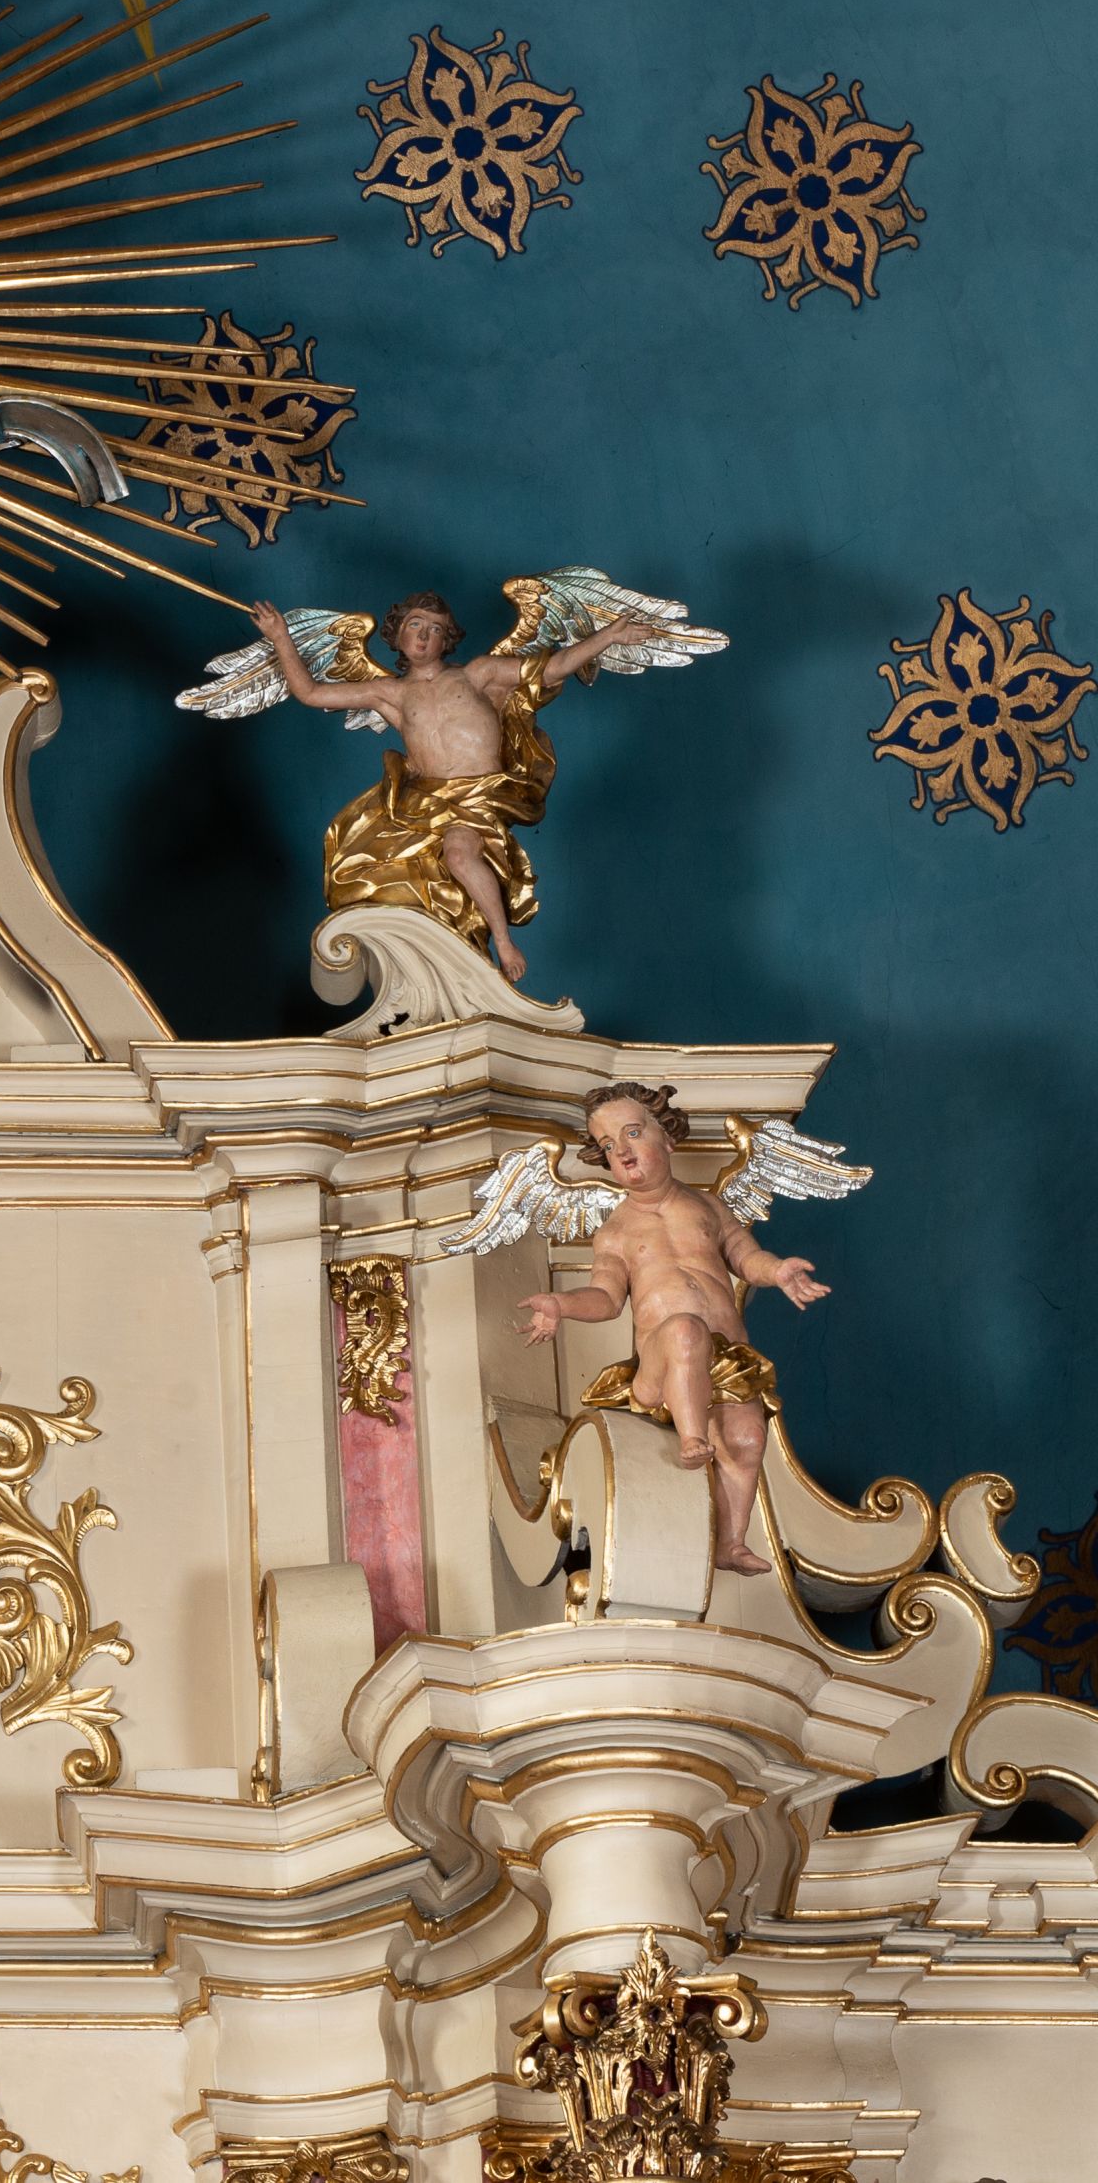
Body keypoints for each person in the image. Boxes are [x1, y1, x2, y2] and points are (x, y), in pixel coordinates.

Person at [245, 590, 649, 986]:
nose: (424, 636)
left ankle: (505, 945)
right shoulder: (391, 693)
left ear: (447, 639)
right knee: (365, 857)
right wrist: (280, 636)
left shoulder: (479, 674)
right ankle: (427, 950)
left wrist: (606, 636)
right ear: (397, 634)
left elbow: (550, 669)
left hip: (479, 795)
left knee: (458, 856)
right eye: (415, 625)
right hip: (424, 801)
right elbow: (311, 692)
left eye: (436, 629)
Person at [518, 1083, 828, 1576]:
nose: (621, 1151)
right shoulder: (616, 1231)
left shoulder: (709, 1207)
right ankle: (691, 1438)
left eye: (632, 1133)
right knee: (685, 1329)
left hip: (727, 1358)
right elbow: (606, 1298)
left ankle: (731, 1542)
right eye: (607, 1145)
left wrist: (777, 1271)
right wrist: (561, 1304)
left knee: (748, 1439)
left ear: (667, 1137)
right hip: (660, 1364)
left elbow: (745, 1257)